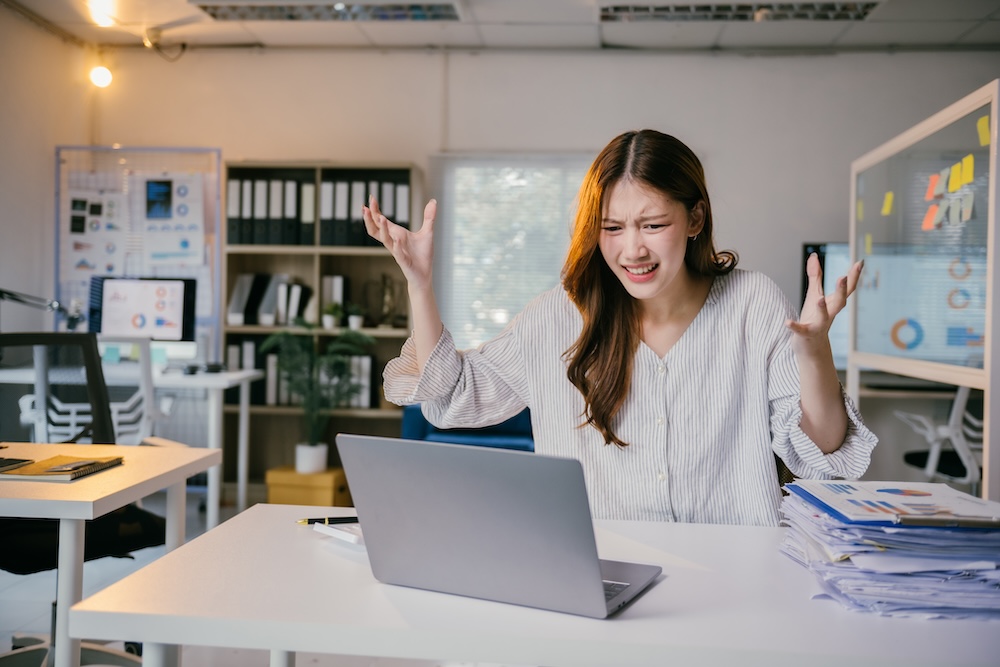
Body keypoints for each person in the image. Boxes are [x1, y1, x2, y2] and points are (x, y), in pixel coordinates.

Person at [362, 129, 877, 527]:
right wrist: (419, 284)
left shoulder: (753, 303)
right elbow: (451, 396)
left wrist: (814, 353)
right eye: (612, 228)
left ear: (695, 218)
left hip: (736, 571)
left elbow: (825, 454)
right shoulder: (556, 318)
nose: (632, 250)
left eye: (653, 225)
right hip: (598, 569)